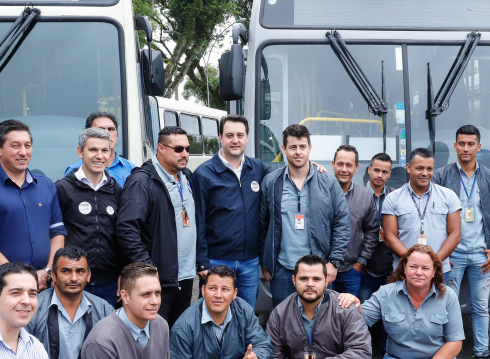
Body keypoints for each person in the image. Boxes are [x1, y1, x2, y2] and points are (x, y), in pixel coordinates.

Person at [433, 125, 490, 359]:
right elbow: (434, 217)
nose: (466, 148)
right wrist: (441, 254)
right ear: (455, 145)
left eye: (471, 144)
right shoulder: (441, 176)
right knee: (445, 304)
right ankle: (444, 354)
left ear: (478, 146)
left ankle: (481, 355)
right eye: (461, 143)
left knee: (481, 307)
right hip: (451, 255)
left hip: (481, 254)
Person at [116, 126, 207, 326]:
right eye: (178, 149)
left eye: (188, 149)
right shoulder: (142, 181)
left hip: (184, 278)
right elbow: (126, 229)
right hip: (158, 281)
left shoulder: (187, 177)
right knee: (153, 337)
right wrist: (148, 268)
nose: (185, 154)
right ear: (161, 148)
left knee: (175, 337)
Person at [0, 119, 67, 307]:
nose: (23, 152)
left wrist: (47, 272)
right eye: (15, 146)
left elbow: (57, 233)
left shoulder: (46, 185)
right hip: (3, 290)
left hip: (44, 288)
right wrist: (21, 280)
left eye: (27, 145)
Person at [259, 124, 350, 306]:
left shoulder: (328, 182)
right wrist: (265, 262)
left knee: (319, 325)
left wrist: (334, 262)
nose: (298, 152)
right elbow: (262, 224)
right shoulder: (271, 182)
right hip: (282, 270)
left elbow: (342, 222)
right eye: (293, 147)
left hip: (317, 269)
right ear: (284, 149)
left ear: (310, 148)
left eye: (302, 147)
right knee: (284, 324)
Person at [25, 247, 116, 359]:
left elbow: (116, 357)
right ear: (54, 276)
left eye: (80, 271)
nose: (74, 278)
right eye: (66, 271)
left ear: (88, 275)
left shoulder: (103, 309)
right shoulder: (34, 308)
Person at [192, 115, 269, 308]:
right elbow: (198, 219)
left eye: (240, 135)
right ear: (220, 137)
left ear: (247, 137)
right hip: (216, 260)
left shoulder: (258, 168)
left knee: (246, 316)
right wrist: (201, 261)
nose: (235, 140)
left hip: (250, 262)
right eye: (229, 135)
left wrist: (313, 168)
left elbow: (284, 180)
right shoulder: (204, 174)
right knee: (213, 315)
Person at [56, 127, 124, 305]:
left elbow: (123, 234)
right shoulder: (63, 189)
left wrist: (122, 273)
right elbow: (55, 235)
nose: (99, 156)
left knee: (104, 331)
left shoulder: (117, 191)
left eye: (104, 150)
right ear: (80, 152)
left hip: (108, 283)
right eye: (93, 150)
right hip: (73, 281)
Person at [382, 147, 461, 282]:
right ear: (408, 167)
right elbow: (390, 237)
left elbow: (455, 234)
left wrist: (433, 262)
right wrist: (413, 263)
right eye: (419, 168)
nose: (425, 173)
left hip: (438, 270)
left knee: (438, 303)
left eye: (429, 169)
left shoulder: (448, 196)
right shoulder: (393, 198)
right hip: (404, 270)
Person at [330, 144, 379, 298]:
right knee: (323, 313)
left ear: (356, 167)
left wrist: (361, 261)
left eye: (349, 165)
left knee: (349, 313)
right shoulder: (322, 191)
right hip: (324, 267)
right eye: (340, 164)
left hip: (352, 269)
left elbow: (372, 230)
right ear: (333, 165)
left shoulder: (365, 196)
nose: (344, 169)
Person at [359, 153, 395, 303]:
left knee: (388, 312)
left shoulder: (395, 196)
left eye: (385, 172)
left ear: (389, 174)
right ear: (369, 170)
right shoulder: (358, 194)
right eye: (376, 170)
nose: (380, 175)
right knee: (363, 312)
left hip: (388, 264)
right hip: (363, 265)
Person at [64, 111, 136, 187]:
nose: (107, 133)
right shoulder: (74, 171)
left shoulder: (131, 169)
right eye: (100, 129)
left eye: (111, 129)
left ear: (117, 136)